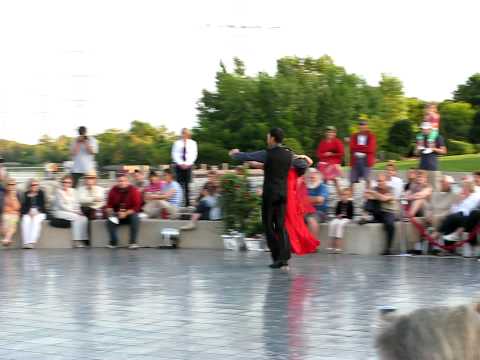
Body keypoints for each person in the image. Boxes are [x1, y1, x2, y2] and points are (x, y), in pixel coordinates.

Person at [229, 128, 319, 270]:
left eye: (268, 136)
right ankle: (284, 259)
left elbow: (248, 156)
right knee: (281, 226)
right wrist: (298, 157)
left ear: (272, 138)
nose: (267, 138)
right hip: (283, 195)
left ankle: (277, 257)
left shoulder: (267, 153)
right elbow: (304, 164)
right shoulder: (289, 156)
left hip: (270, 195)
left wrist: (235, 154)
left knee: (268, 226)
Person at [431, 178, 480, 250]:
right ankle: (448, 248)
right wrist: (458, 201)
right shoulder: (461, 197)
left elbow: (470, 211)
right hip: (459, 219)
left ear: (469, 188)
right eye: (463, 187)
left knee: (451, 218)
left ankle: (437, 233)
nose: (462, 189)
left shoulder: (476, 197)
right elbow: (453, 210)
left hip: (468, 219)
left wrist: (465, 199)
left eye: (464, 187)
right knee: (450, 222)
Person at [358, 173, 397, 255]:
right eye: (378, 181)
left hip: (388, 212)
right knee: (370, 201)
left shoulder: (391, 189)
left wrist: (374, 194)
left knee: (390, 225)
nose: (380, 183)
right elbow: (367, 196)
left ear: (386, 181)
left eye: (381, 181)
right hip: (378, 212)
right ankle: (364, 217)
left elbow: (384, 198)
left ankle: (388, 248)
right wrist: (376, 196)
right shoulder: (375, 188)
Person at [105, 172, 142, 249]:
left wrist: (126, 213)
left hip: (129, 215)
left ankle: (133, 242)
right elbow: (109, 205)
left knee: (135, 217)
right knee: (109, 220)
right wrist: (111, 212)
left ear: (128, 181)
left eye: (124, 181)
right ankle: (113, 242)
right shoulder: (113, 190)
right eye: (119, 181)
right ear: (117, 182)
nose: (122, 183)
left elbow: (137, 207)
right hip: (117, 214)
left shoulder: (134, 190)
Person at [52, 175, 89, 248]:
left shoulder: (74, 191)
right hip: (59, 211)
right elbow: (62, 206)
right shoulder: (58, 192)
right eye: (65, 182)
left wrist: (79, 211)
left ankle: (84, 239)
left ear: (71, 184)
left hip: (72, 211)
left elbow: (77, 203)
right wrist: (74, 212)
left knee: (84, 218)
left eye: (69, 182)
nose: (66, 184)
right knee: (76, 217)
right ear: (62, 183)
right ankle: (76, 241)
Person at [415, 121, 447, 190]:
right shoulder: (420, 137)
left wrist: (433, 148)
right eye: (422, 129)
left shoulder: (438, 137)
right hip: (422, 168)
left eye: (426, 129)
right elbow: (416, 153)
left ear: (430, 129)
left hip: (433, 168)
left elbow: (444, 151)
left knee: (434, 189)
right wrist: (418, 149)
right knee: (421, 189)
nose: (424, 130)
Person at [171, 128, 198, 207]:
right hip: (178, 165)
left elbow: (194, 154)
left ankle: (187, 203)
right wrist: (181, 163)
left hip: (188, 165)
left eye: (186, 133)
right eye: (183, 133)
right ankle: (179, 202)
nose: (184, 135)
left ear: (188, 134)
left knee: (187, 185)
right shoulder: (177, 143)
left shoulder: (193, 143)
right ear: (181, 134)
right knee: (179, 184)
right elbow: (174, 154)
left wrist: (187, 163)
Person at [77, 171, 105, 241]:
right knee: (89, 214)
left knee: (95, 214)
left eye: (92, 178)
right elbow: (81, 200)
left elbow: (100, 200)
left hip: (97, 209)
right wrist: (94, 199)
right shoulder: (80, 189)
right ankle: (89, 239)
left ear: (95, 179)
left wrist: (92, 189)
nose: (89, 180)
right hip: (85, 209)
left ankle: (95, 238)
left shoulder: (100, 189)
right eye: (88, 178)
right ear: (85, 179)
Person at [349, 119, 377, 190]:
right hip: (355, 160)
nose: (362, 126)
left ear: (367, 126)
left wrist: (357, 147)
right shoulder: (354, 135)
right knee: (352, 180)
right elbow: (352, 148)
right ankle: (350, 198)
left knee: (367, 179)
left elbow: (371, 149)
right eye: (361, 124)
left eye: (364, 124)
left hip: (366, 161)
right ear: (358, 126)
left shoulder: (371, 136)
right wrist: (364, 147)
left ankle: (368, 197)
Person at [21, 179, 47, 249]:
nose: (35, 186)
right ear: (29, 186)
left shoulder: (41, 193)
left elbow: (43, 205)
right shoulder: (26, 194)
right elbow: (23, 206)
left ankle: (32, 242)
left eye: (36, 185)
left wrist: (37, 211)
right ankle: (26, 243)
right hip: (29, 211)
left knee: (35, 220)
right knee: (25, 219)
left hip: (40, 212)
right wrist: (28, 211)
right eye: (33, 185)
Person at [327, 188, 354, 253]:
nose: (344, 196)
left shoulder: (350, 203)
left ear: (349, 196)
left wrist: (343, 216)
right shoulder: (339, 203)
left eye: (346, 195)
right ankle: (331, 244)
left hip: (347, 219)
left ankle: (338, 245)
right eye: (343, 195)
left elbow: (351, 215)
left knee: (339, 225)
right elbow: (336, 213)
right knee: (332, 223)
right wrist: (338, 216)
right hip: (339, 218)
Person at [1, 179, 20, 247]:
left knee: (12, 222)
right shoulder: (3, 194)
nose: (11, 186)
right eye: (10, 184)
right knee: (7, 224)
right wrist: (11, 210)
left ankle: (6, 239)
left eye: (13, 184)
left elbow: (17, 207)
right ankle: (8, 240)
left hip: (14, 215)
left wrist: (13, 197)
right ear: (7, 186)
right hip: (6, 214)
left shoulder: (17, 194)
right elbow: (3, 207)